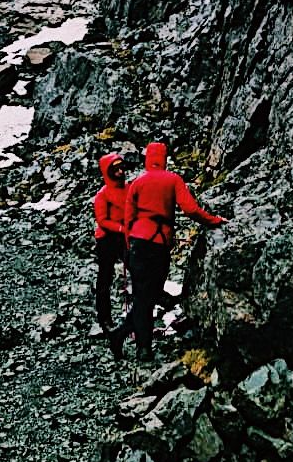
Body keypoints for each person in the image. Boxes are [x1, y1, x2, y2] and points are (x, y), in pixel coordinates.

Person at [106, 141, 224, 362]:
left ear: (147, 159)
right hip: (159, 244)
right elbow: (190, 209)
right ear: (164, 158)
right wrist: (214, 221)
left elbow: (128, 219)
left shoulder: (137, 183)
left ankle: (124, 335)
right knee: (148, 296)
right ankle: (142, 348)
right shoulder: (173, 180)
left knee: (144, 295)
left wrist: (128, 250)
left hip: (138, 245)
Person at [91, 151, 128, 333]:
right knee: (105, 278)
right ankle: (105, 319)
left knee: (136, 270)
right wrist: (121, 228)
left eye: (122, 168)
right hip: (107, 238)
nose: (121, 172)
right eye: (116, 169)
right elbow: (102, 220)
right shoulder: (102, 195)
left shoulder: (128, 188)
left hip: (124, 235)